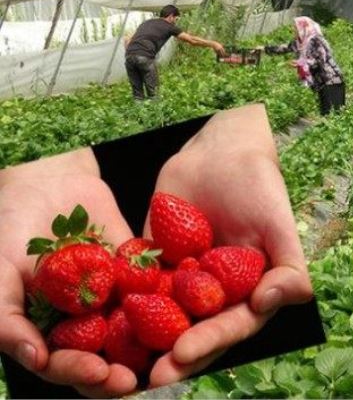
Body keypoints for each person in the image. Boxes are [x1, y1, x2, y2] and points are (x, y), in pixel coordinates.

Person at [0, 104, 313, 397]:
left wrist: (238, 133)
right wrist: (34, 176)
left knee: (262, 369)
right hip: (89, 199)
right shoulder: (100, 279)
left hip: (206, 181)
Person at [124, 5, 226, 101]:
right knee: (153, 93)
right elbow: (192, 40)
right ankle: (154, 115)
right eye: (176, 19)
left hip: (129, 57)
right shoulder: (169, 26)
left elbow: (128, 40)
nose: (175, 22)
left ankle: (139, 114)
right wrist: (213, 44)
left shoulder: (146, 23)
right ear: (171, 16)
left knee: (137, 94)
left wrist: (132, 53)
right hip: (145, 57)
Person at [262, 17, 346, 116]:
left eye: (296, 28)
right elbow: (284, 48)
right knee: (327, 112)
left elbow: (320, 59)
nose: (294, 30)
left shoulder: (315, 40)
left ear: (304, 28)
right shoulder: (300, 42)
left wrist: (301, 63)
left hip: (331, 80)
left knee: (334, 113)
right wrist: (264, 49)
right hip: (321, 81)